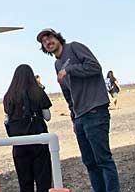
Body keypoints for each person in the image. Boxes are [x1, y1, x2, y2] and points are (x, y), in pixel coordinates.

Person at [37, 28, 120, 192]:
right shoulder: (57, 64)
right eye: (44, 41)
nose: (48, 42)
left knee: (103, 159)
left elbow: (95, 67)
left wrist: (70, 70)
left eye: (49, 37)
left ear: (57, 38)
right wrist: (74, 119)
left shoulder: (74, 48)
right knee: (89, 162)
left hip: (95, 110)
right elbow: (68, 95)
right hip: (80, 117)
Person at [3, 65, 53, 192]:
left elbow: (6, 119)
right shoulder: (37, 92)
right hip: (38, 142)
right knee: (43, 181)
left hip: (19, 144)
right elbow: (47, 117)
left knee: (25, 183)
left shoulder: (9, 95)